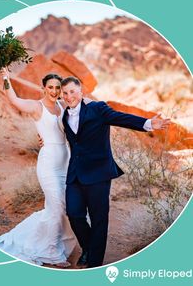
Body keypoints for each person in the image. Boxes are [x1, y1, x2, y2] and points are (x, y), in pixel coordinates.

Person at [59, 76, 171, 268]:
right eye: (65, 93)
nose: (69, 97)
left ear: (81, 91)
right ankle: (88, 248)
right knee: (74, 214)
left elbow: (121, 118)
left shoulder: (97, 109)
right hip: (75, 174)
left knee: (98, 219)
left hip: (98, 173)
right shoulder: (65, 115)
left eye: (72, 92)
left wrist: (148, 124)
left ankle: (94, 264)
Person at [0, 70, 76, 267]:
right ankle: (50, 251)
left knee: (63, 207)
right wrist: (6, 78)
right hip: (48, 164)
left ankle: (49, 239)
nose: (54, 91)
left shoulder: (62, 106)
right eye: (50, 87)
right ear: (43, 88)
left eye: (57, 88)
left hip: (66, 162)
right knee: (56, 206)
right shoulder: (37, 107)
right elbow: (13, 100)